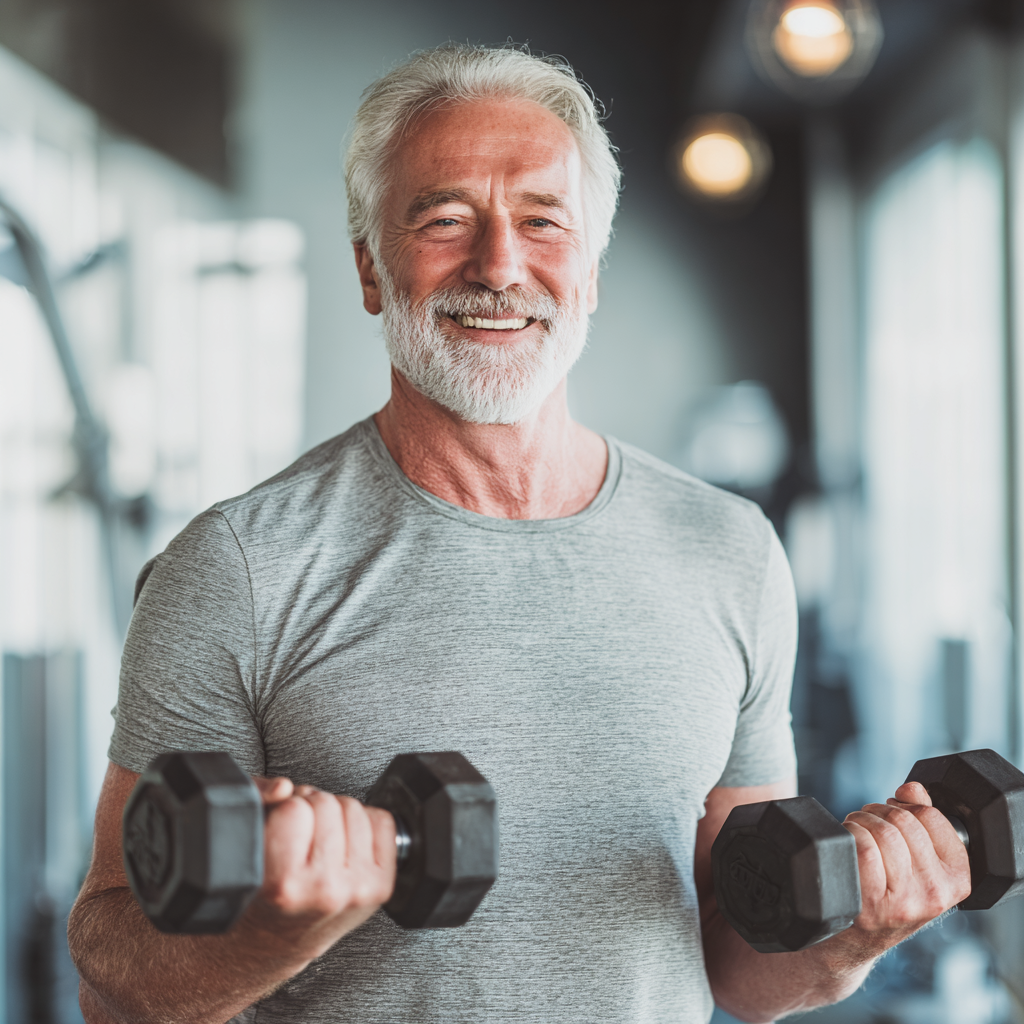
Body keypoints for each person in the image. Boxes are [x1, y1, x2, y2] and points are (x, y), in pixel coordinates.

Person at [68, 43, 969, 1024]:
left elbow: (741, 969)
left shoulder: (730, 552)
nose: (499, 267)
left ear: (589, 267)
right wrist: (264, 936)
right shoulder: (239, 566)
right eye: (444, 220)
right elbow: (111, 975)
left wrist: (852, 938)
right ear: (371, 266)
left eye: (542, 222)